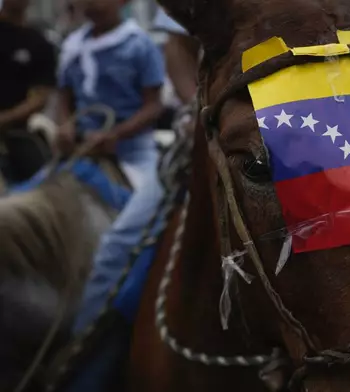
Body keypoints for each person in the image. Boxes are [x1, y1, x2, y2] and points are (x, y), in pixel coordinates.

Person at [60, 6, 199, 391]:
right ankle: (80, 374)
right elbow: (179, 48)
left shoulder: (136, 43)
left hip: (133, 151)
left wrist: (117, 134)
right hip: (201, 134)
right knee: (117, 250)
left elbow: (153, 104)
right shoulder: (71, 44)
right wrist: (66, 126)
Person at [0, 0, 57, 185]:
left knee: (47, 187)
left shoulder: (39, 43)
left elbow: (41, 97)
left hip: (16, 135)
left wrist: (5, 119)